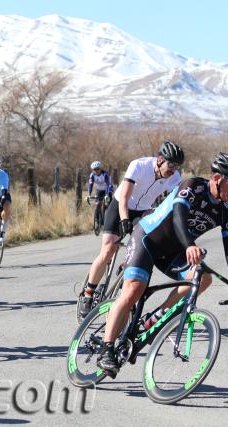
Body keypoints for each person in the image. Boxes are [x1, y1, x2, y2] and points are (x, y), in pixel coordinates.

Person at [97, 153, 228, 373]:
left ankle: (157, 316)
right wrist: (189, 245)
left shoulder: (225, 210)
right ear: (218, 179)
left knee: (203, 278)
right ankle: (106, 348)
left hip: (173, 252)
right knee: (133, 291)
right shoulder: (192, 186)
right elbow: (178, 217)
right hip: (147, 240)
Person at [78, 141, 185, 319]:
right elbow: (125, 196)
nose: (173, 170)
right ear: (160, 160)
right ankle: (88, 293)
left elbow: (175, 202)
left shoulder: (174, 177)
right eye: (171, 164)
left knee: (142, 247)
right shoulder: (139, 165)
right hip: (120, 205)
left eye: (178, 166)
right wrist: (125, 219)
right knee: (108, 249)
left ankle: (125, 266)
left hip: (143, 210)